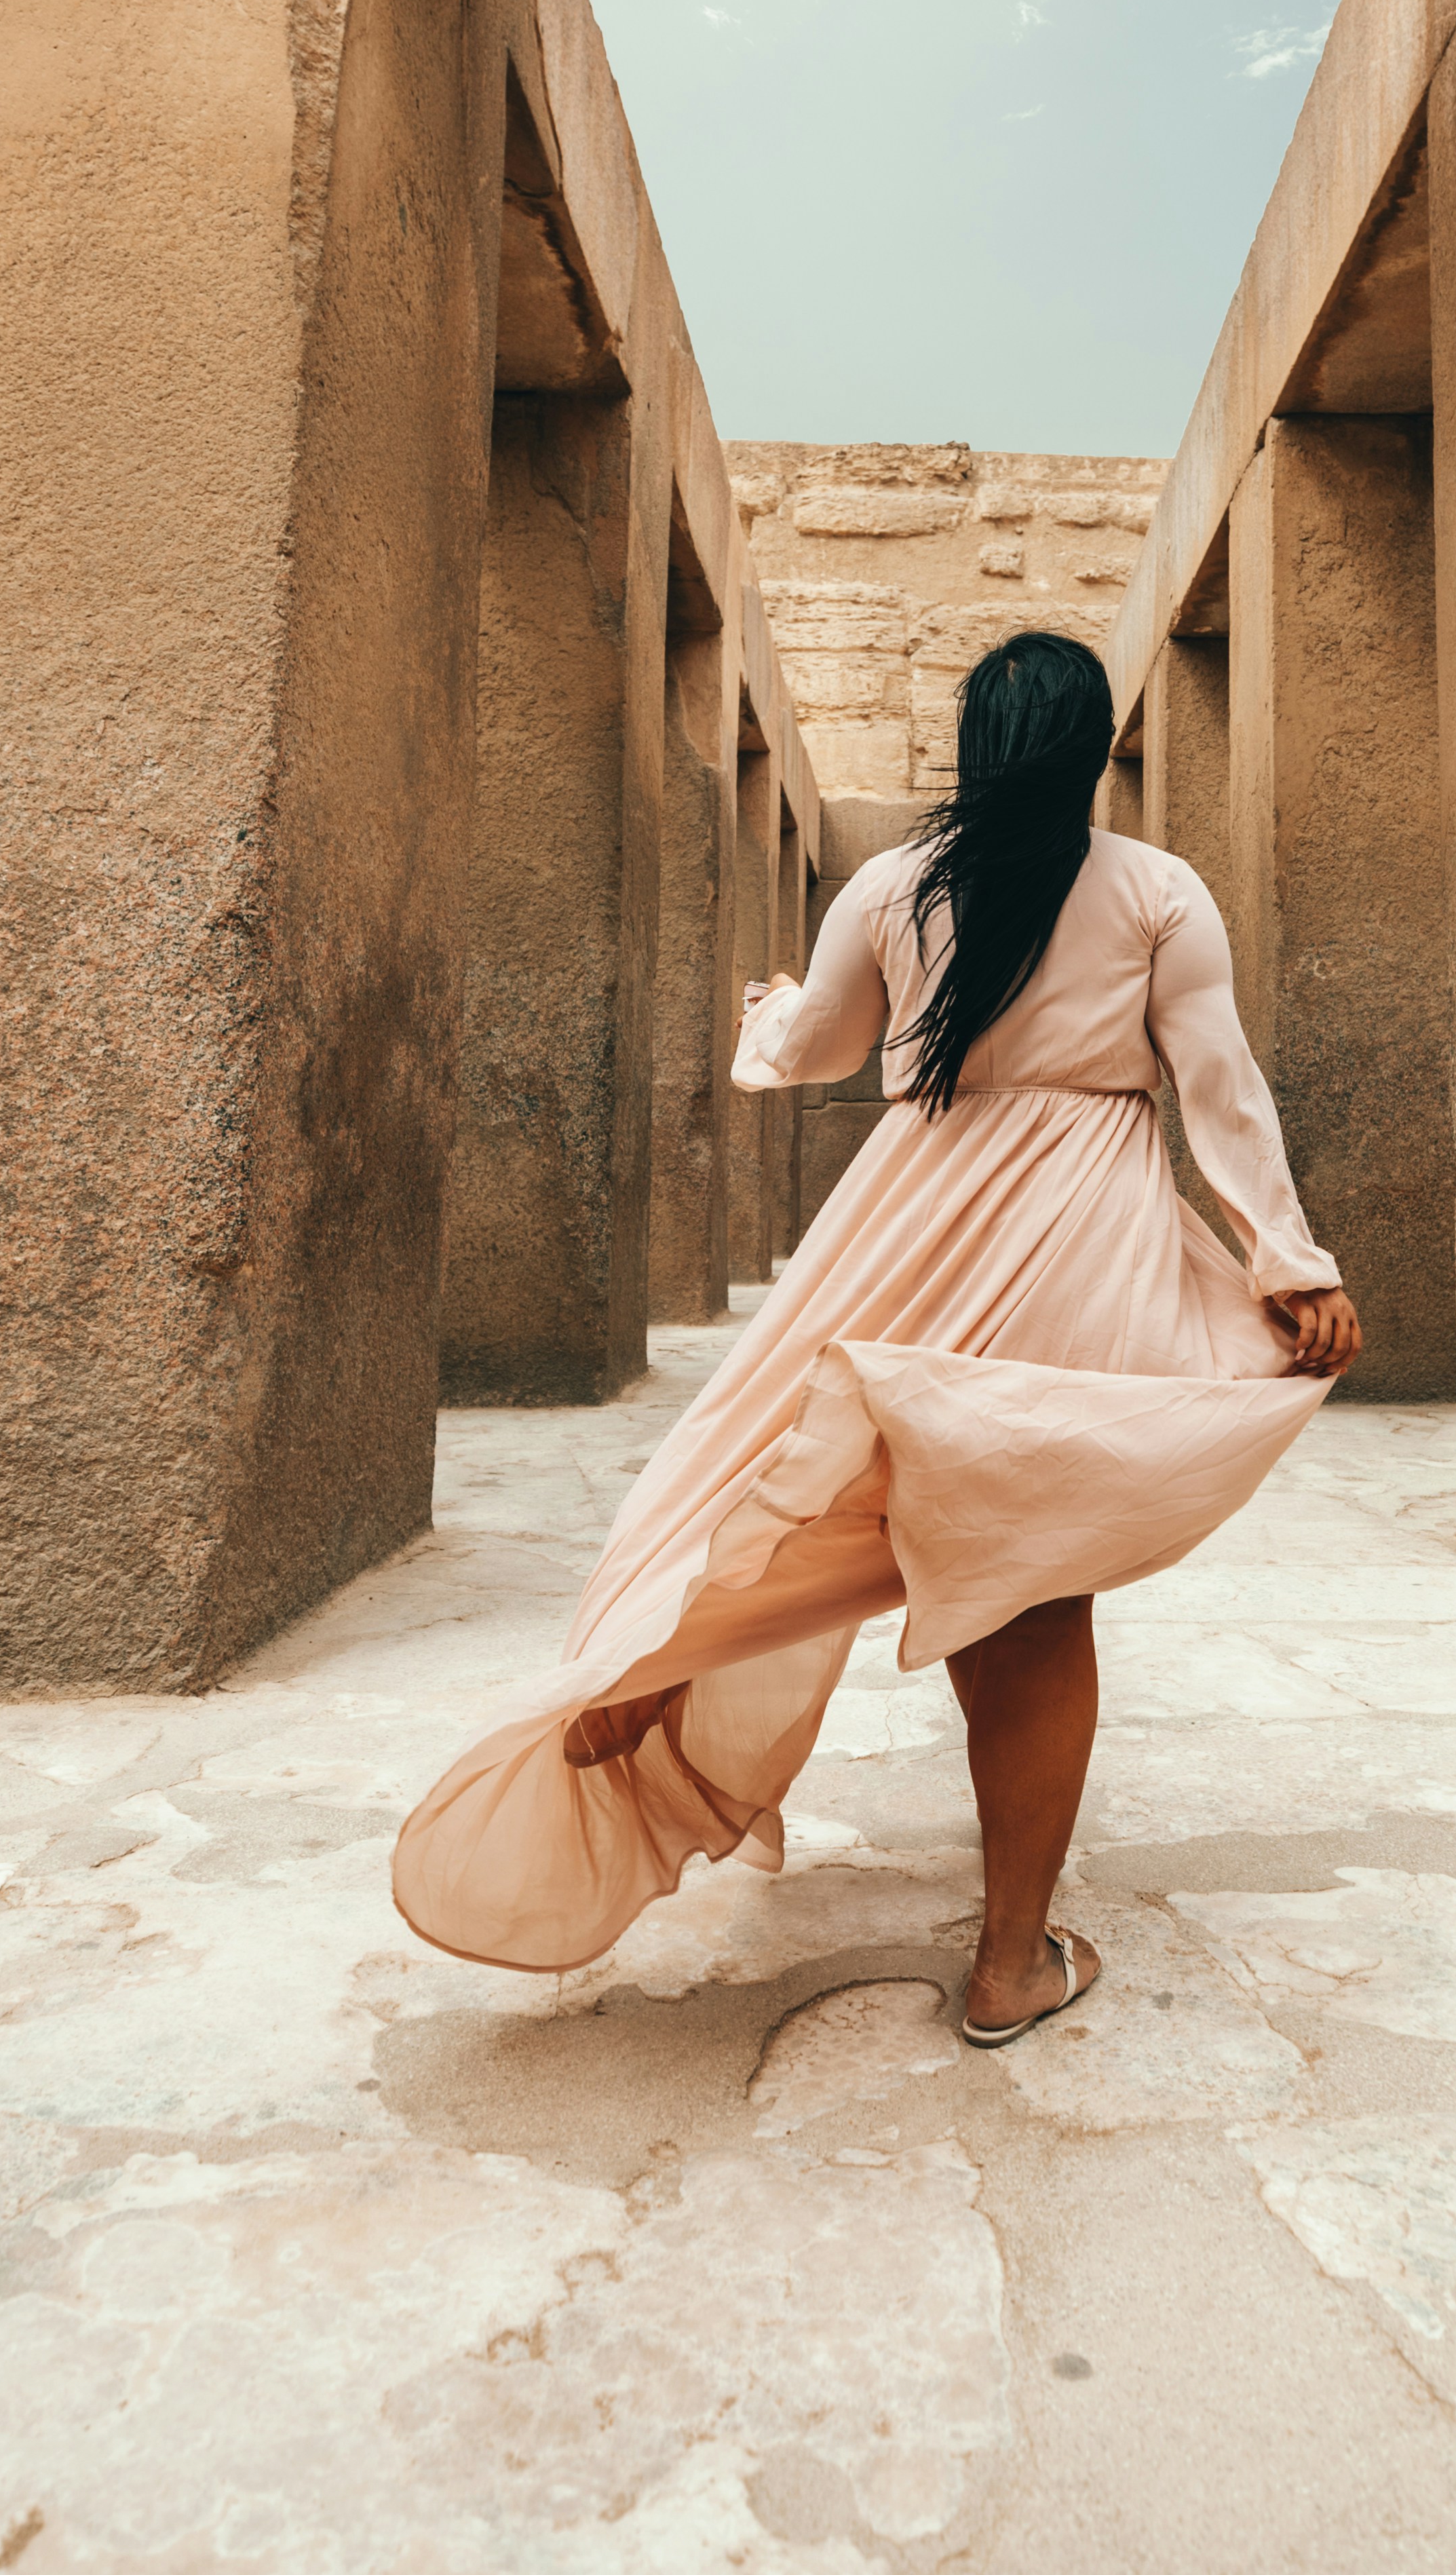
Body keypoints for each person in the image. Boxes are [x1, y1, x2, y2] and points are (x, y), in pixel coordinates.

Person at [393, 630, 1359, 2044]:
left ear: (973, 747)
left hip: (912, 1219)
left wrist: (772, 1014)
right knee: (1028, 1584)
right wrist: (1288, 1259)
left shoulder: (894, 884)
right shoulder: (1156, 889)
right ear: (1091, 752)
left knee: (777, 1466)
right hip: (1085, 1232)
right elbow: (1219, 1085)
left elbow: (823, 1051)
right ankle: (1009, 1960)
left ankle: (659, 1658)